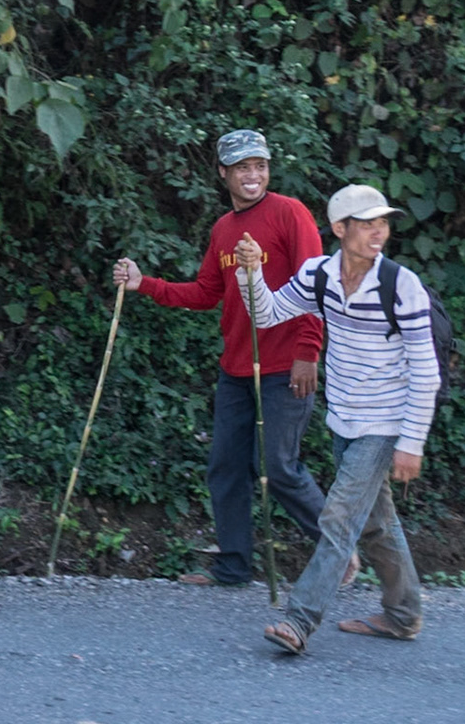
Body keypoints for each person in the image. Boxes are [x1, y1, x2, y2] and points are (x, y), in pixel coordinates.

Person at [114, 130, 331, 587]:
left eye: (259, 165)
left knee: (278, 466)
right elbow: (206, 293)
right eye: (241, 168)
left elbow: (316, 285)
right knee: (226, 467)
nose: (252, 175)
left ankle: (338, 551)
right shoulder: (223, 230)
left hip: (285, 366)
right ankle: (233, 566)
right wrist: (144, 284)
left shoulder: (291, 213)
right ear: (223, 174)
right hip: (236, 369)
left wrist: (308, 352)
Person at [234, 183, 440, 653]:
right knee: (375, 525)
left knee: (339, 519)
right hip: (343, 419)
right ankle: (404, 615)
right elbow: (266, 316)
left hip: (385, 423)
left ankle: (299, 620)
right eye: (367, 224)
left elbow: (425, 372)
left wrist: (412, 442)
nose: (378, 233)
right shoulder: (319, 276)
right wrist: (252, 273)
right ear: (339, 229)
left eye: (383, 223)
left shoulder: (401, 285)